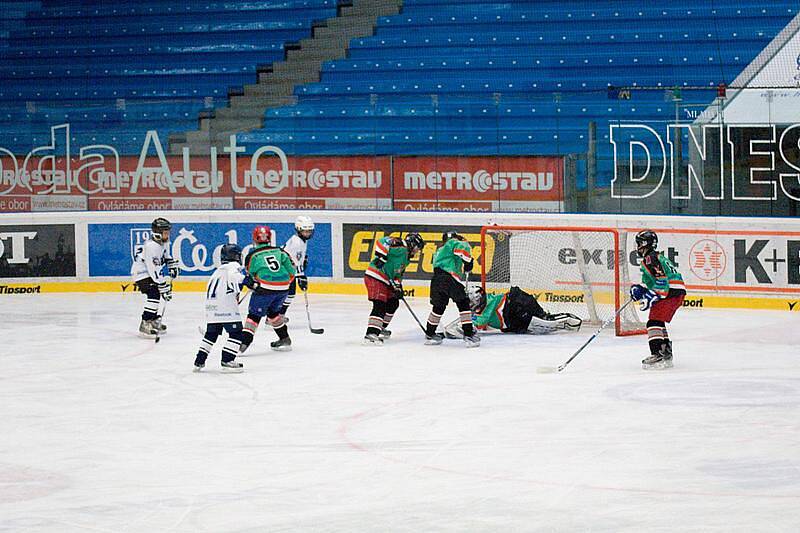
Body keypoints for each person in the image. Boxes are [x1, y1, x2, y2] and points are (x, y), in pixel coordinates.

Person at [629, 230, 686, 370]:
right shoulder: (655, 257)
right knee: (658, 321)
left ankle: (657, 354)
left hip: (670, 293)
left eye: (638, 243)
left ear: (644, 244)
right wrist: (641, 290)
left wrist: (651, 295)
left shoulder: (650, 258)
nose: (637, 247)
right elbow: (653, 282)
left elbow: (662, 281)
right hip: (675, 292)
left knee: (653, 322)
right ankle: (665, 352)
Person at [444, 285, 583, 337]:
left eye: (470, 302)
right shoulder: (483, 305)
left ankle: (570, 320)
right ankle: (564, 322)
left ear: (478, 300)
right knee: (540, 328)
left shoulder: (488, 305)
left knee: (546, 323)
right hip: (514, 317)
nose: (469, 305)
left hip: (518, 305)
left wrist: (459, 327)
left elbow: (479, 323)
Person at [240, 225, 297, 353]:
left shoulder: (252, 255)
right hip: (284, 289)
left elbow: (250, 274)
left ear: (254, 239)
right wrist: (282, 282)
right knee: (273, 313)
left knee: (254, 316)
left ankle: (243, 343)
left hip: (264, 289)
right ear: (269, 238)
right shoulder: (280, 251)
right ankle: (284, 338)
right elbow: (292, 271)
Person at [362, 232, 425, 345]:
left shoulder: (406, 259)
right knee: (380, 305)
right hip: (376, 276)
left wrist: (398, 287)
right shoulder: (401, 246)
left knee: (393, 303)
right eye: (417, 248)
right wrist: (381, 256)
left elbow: (397, 275)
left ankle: (380, 327)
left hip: (386, 280)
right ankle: (371, 334)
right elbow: (382, 242)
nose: (417, 251)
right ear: (412, 243)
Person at [194, 244, 248, 373]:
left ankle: (199, 361)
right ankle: (227, 360)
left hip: (212, 308)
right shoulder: (233, 267)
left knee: (211, 335)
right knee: (237, 334)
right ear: (236, 256)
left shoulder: (217, 271)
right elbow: (236, 278)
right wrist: (248, 281)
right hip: (226, 308)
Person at [424, 231, 479, 347]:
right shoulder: (453, 243)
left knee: (438, 308)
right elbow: (462, 249)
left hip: (436, 280)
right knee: (463, 304)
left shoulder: (439, 251)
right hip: (449, 277)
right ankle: (469, 335)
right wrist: (468, 261)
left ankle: (430, 334)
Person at [130, 217, 180, 338]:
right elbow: (153, 269)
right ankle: (145, 322)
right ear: (158, 233)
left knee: (156, 294)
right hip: (141, 273)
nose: (168, 235)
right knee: (154, 294)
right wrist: (163, 286)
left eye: (168, 232)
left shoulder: (163, 242)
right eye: (165, 232)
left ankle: (152, 320)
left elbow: (166, 256)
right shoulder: (152, 246)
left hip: (149, 272)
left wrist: (172, 265)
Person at [279, 216, 315, 318]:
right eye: (305, 231)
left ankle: (277, 315)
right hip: (285, 270)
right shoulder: (297, 242)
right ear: (299, 230)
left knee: (289, 294)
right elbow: (294, 261)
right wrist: (301, 276)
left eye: (309, 231)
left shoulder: (300, 240)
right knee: (288, 294)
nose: (307, 233)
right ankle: (276, 316)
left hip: (287, 269)